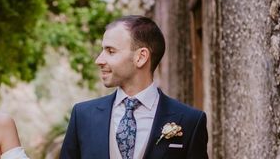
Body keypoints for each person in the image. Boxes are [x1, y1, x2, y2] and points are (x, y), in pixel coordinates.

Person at [60, 15, 208, 159]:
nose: (99, 60)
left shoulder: (191, 121)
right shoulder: (83, 116)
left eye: (110, 51)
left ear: (141, 57)